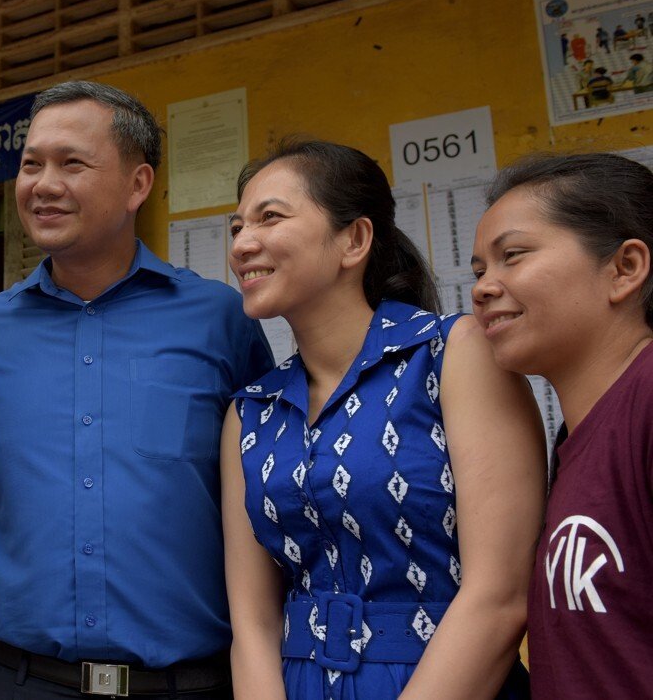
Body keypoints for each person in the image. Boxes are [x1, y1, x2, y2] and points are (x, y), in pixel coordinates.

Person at [0, 80, 273, 699]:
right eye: (31, 165)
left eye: (72, 163)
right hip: (12, 679)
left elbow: (268, 497)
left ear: (138, 185)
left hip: (185, 683)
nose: (44, 184)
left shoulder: (220, 320)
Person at [222, 140, 545, 700]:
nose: (242, 244)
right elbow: (252, 623)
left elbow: (499, 595)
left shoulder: (451, 353)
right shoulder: (251, 410)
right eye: (235, 227)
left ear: (354, 239)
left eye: (269, 217)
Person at [471, 154, 653, 700]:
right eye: (480, 270)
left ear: (624, 269)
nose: (482, 288)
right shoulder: (576, 439)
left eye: (513, 256)